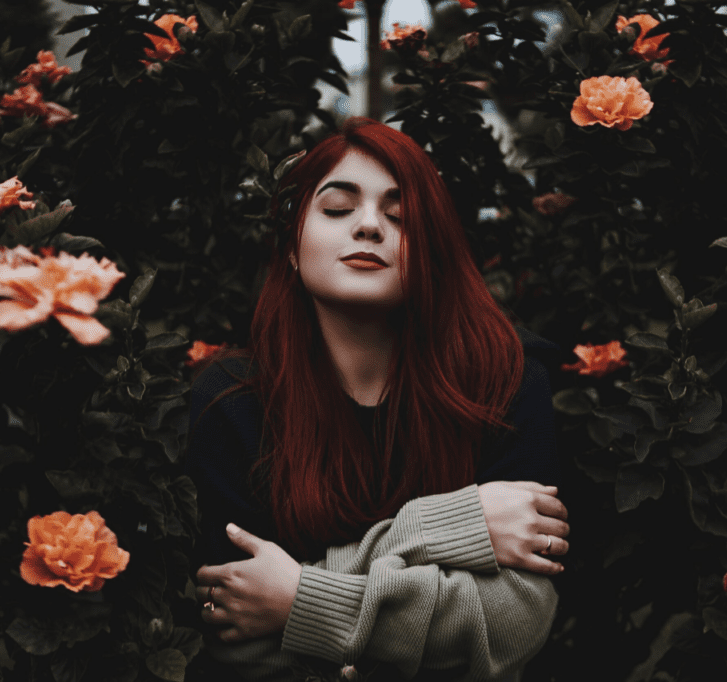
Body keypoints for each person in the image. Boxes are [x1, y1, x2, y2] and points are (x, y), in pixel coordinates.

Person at [184, 117, 569, 681]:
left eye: (400, 216)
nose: (368, 226)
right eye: (338, 209)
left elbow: (516, 622)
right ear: (292, 247)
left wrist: (297, 601)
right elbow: (235, 632)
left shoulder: (504, 384)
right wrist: (452, 525)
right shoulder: (232, 400)